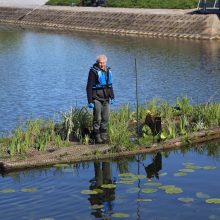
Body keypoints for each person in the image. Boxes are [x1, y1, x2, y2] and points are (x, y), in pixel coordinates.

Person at [86, 55, 115, 144]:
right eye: (100, 63)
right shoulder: (93, 72)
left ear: (106, 62)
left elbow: (109, 86)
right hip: (96, 98)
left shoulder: (107, 71)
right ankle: (97, 136)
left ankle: (104, 136)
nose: (101, 64)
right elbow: (89, 87)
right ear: (97, 62)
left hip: (106, 98)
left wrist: (112, 96)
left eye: (103, 63)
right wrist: (90, 101)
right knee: (97, 118)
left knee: (105, 118)